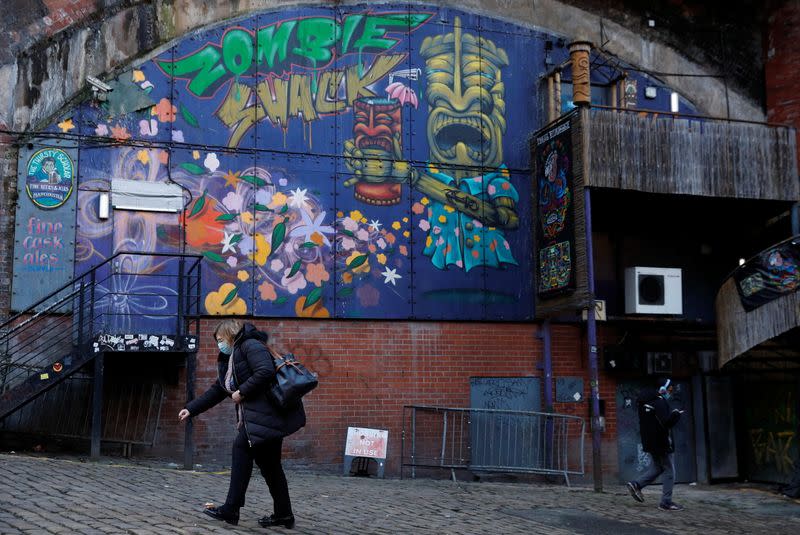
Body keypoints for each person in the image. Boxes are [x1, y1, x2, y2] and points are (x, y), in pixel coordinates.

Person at [178, 320, 305, 528]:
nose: (219, 345)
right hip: (263, 419)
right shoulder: (233, 357)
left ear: (230, 335)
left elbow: (265, 372)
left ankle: (231, 509)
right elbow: (219, 389)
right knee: (271, 467)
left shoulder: (250, 345)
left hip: (265, 417)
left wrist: (242, 391)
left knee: (241, 449)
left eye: (220, 340)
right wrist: (192, 408)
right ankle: (283, 514)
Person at [626, 379, 684, 511]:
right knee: (669, 470)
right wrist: (675, 415)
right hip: (661, 441)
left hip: (650, 442)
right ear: (662, 389)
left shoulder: (644, 402)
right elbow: (666, 423)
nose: (670, 392)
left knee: (658, 467)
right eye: (669, 389)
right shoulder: (659, 402)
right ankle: (666, 502)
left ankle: (637, 484)